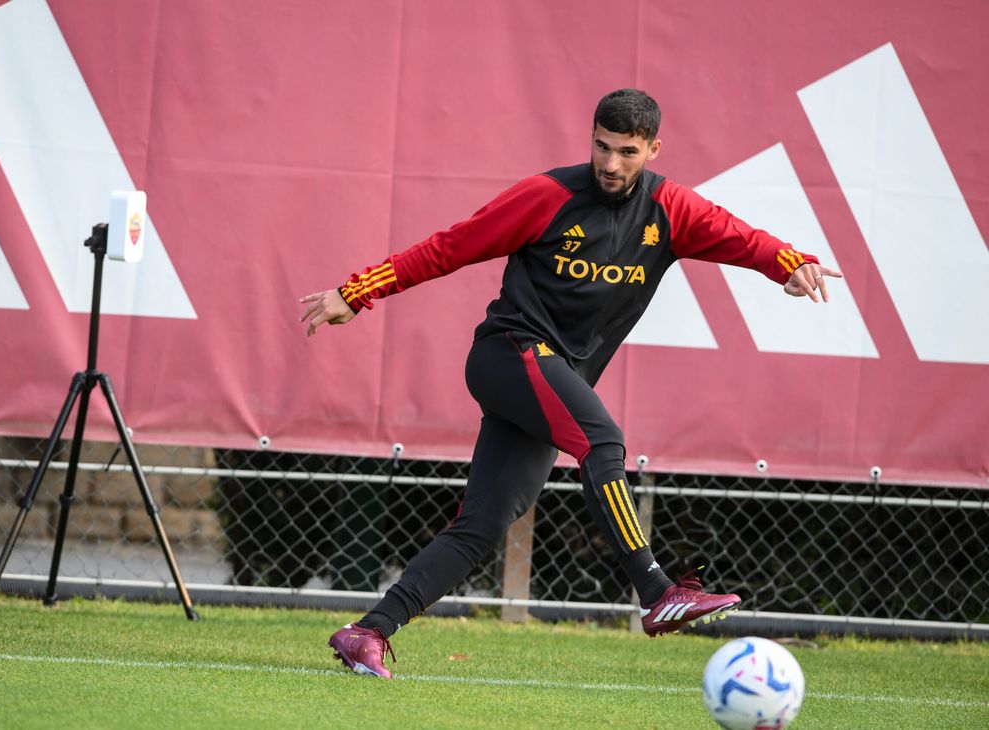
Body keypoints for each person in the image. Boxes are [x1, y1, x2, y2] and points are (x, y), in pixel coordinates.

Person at [299, 89, 842, 679]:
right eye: (601, 147)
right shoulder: (547, 196)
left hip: (551, 380)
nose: (610, 163)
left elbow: (743, 238)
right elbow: (449, 247)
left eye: (626, 152)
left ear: (654, 149)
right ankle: (658, 592)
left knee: (483, 524)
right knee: (603, 442)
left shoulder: (670, 210)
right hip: (509, 354)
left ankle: (367, 632)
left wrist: (791, 263)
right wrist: (356, 292)